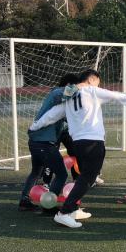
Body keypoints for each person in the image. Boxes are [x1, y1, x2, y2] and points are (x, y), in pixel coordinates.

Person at [29, 69, 126, 228]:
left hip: (78, 144)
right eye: (98, 83)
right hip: (93, 143)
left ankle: (73, 209)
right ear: (92, 80)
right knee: (88, 178)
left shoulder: (69, 96)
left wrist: (35, 125)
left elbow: (52, 114)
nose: (98, 86)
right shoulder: (92, 90)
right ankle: (64, 213)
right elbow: (116, 96)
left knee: (83, 177)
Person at [19, 73, 79, 211]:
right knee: (62, 174)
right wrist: (82, 88)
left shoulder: (60, 98)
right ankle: (48, 206)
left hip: (37, 141)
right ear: (69, 85)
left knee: (36, 171)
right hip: (44, 143)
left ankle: (24, 200)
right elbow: (63, 95)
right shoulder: (57, 93)